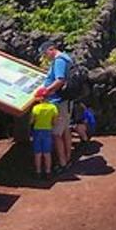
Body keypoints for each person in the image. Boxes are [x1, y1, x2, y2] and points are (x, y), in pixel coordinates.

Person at [34, 40, 74, 170]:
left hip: (58, 101)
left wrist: (46, 91)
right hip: (65, 100)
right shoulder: (66, 58)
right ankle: (67, 157)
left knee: (57, 134)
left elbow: (60, 80)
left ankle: (63, 163)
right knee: (65, 129)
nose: (46, 57)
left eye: (45, 54)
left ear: (51, 49)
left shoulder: (59, 61)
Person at [30, 98, 58, 178]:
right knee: (47, 153)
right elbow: (54, 122)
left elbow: (31, 121)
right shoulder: (53, 107)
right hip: (47, 130)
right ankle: (48, 172)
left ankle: (38, 172)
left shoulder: (36, 108)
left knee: (37, 153)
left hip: (37, 131)